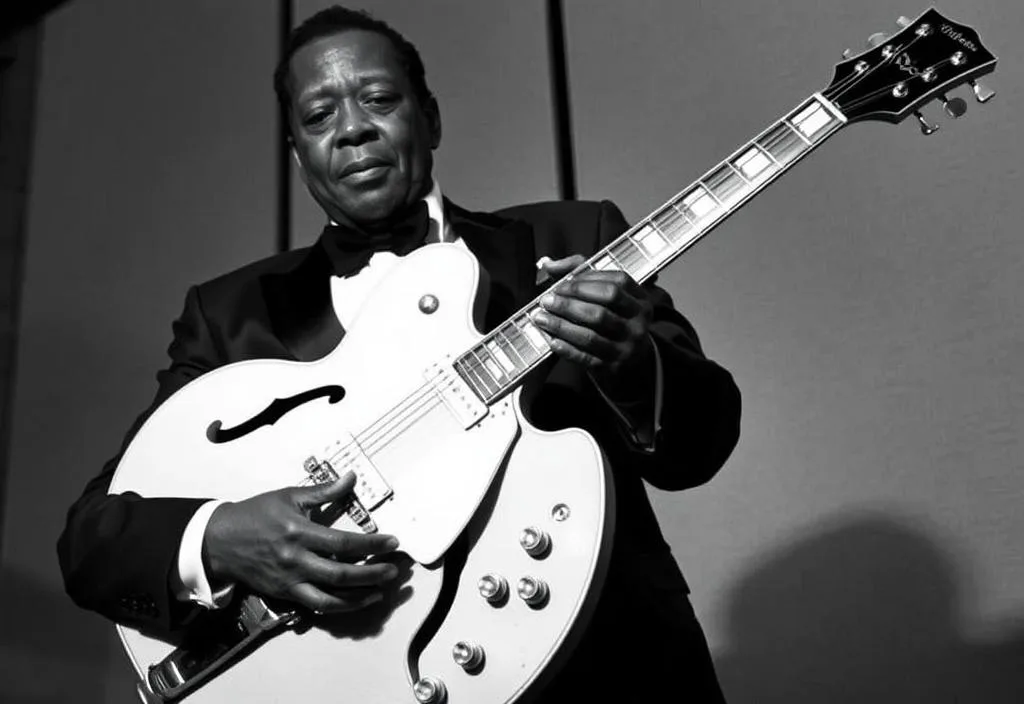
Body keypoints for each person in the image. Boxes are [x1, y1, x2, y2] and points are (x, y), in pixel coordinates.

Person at [58, 6, 741, 701]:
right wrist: (221, 535)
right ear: (298, 154)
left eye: (379, 99)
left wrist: (631, 362)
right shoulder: (232, 314)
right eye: (320, 115)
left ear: (431, 117)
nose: (353, 128)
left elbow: (702, 442)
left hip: (611, 671)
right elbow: (93, 541)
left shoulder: (576, 234)